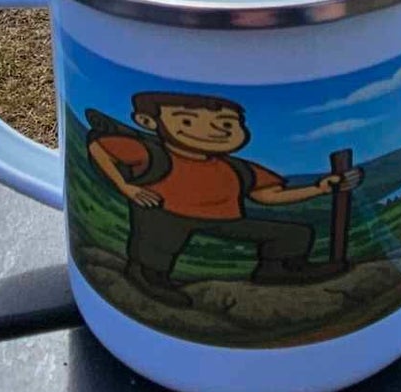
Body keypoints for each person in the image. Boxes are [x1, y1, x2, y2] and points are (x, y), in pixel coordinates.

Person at [87, 90, 360, 303]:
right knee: (159, 236)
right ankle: (148, 275)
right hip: (166, 211)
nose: (215, 131)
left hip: (223, 218)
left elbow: (268, 195)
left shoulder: (238, 169)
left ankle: (279, 268)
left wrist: (320, 188)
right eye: (187, 121)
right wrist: (126, 187)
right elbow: (100, 147)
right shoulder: (151, 153)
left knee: (293, 233)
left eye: (227, 124)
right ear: (147, 122)